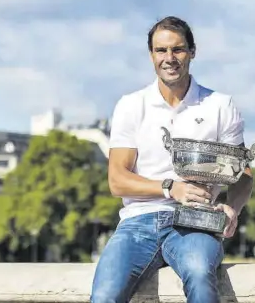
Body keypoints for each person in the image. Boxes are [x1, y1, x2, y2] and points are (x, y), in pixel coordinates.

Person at [91, 16, 253, 303]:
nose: (169, 58)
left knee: (200, 273)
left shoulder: (220, 105)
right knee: (104, 295)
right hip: (138, 222)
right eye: (161, 50)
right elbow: (117, 180)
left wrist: (233, 208)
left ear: (192, 51)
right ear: (151, 54)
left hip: (198, 222)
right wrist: (171, 187)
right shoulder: (131, 105)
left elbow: (243, 172)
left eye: (177, 49)